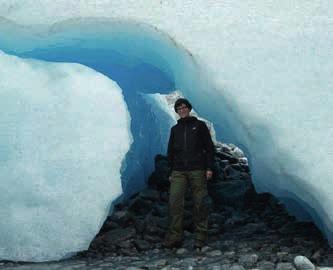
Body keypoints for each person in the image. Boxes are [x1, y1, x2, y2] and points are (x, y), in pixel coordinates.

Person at [164, 98, 214, 249]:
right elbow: (170, 151)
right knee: (175, 202)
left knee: (200, 202)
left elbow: (209, 148)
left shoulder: (199, 126)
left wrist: (209, 168)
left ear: (189, 108)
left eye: (184, 107)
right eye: (179, 108)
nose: (182, 110)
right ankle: (175, 237)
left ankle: (200, 236)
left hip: (197, 169)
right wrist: (170, 171)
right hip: (178, 171)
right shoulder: (175, 129)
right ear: (177, 111)